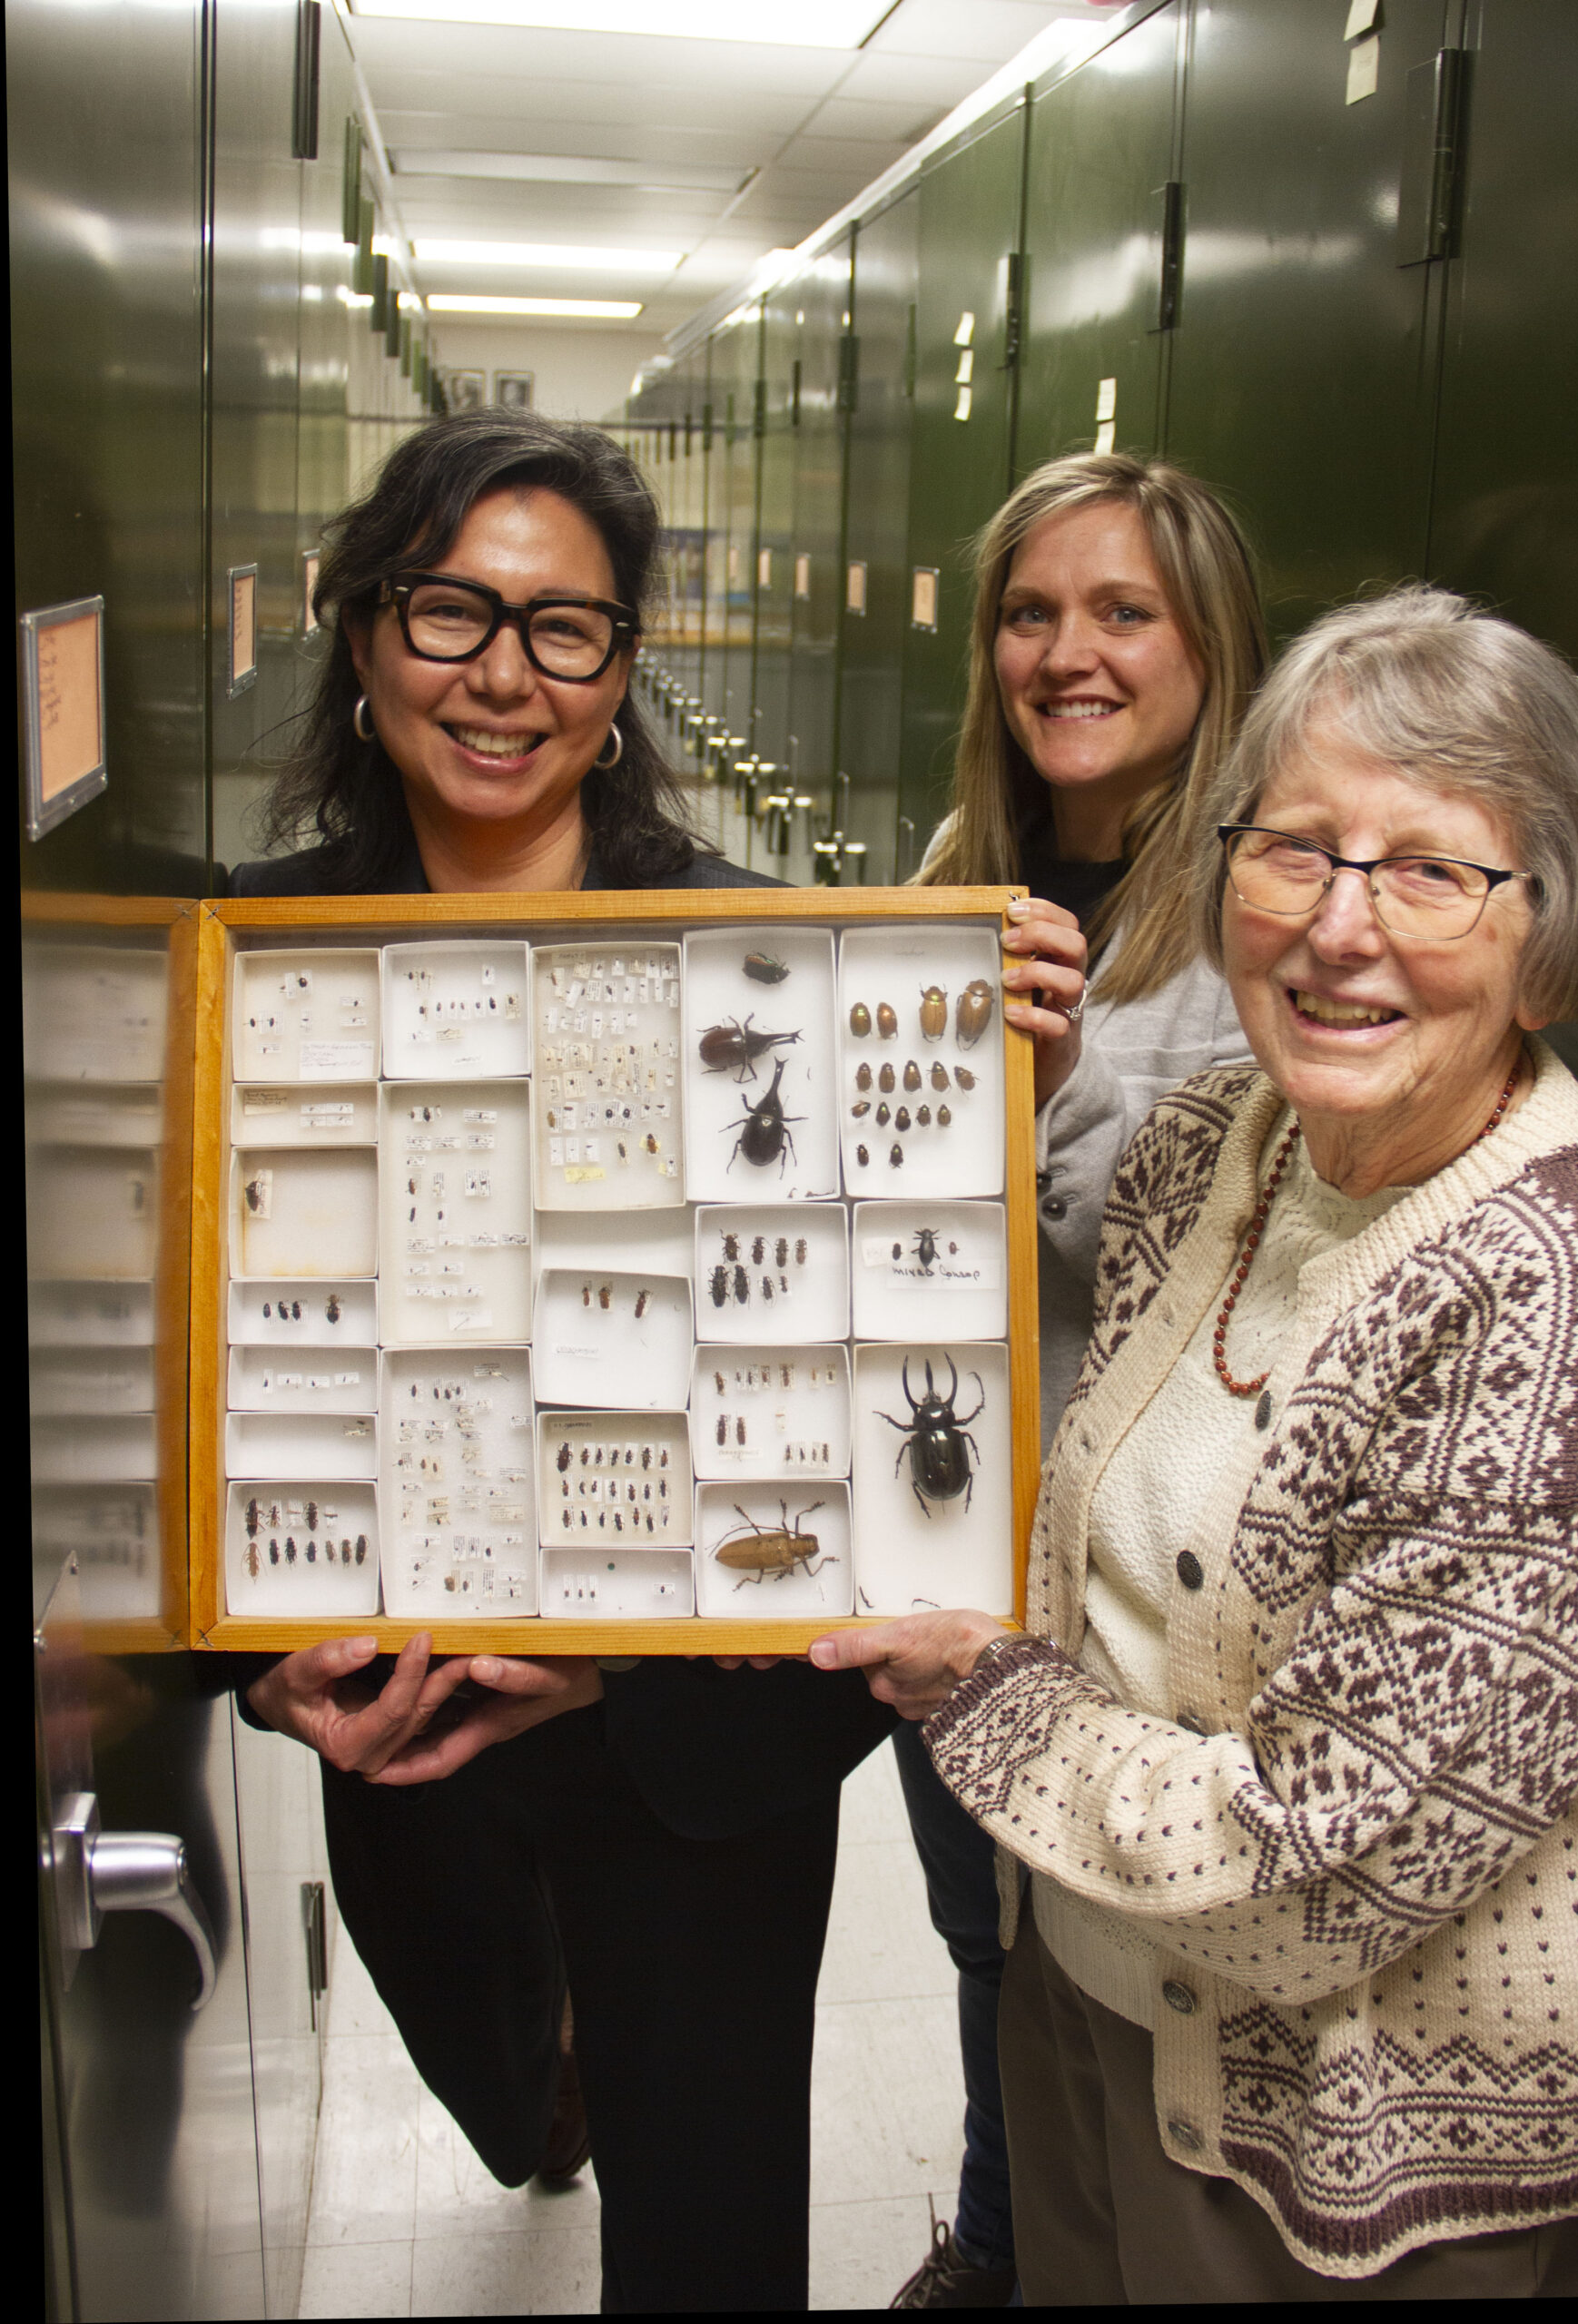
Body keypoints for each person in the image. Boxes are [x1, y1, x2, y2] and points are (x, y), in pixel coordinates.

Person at [817, 585, 1578, 2299]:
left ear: (1550, 935)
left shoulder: (1568, 1303)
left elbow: (1333, 1867)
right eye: (1293, 850)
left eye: (1433, 870)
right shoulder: (1207, 1151)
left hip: (1379, 2142)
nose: (1336, 927)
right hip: (1093, 2002)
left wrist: (987, 1699)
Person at [232, 408, 894, 2313]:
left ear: (620, 676)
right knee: (492, 2071)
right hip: (404, 1705)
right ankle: (552, 2076)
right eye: (452, 611)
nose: (504, 676)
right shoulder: (247, 963)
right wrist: (255, 1664)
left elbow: (868, 1414)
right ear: (364, 634)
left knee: (708, 2237)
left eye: (566, 628)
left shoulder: (766, 965)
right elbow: (178, 1376)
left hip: (702, 1740)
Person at [891, 453, 1267, 2305]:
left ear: (1212, 645)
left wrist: (1052, 1088)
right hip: (954, 1523)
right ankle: (1001, 2235)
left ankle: (1032, 2255)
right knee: (985, 1931)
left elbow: (1227, 1251)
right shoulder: (953, 870)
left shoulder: (1262, 910)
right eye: (1031, 613)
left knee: (1105, 1951)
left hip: (1136, 1573)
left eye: (1125, 612)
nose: (1069, 653)